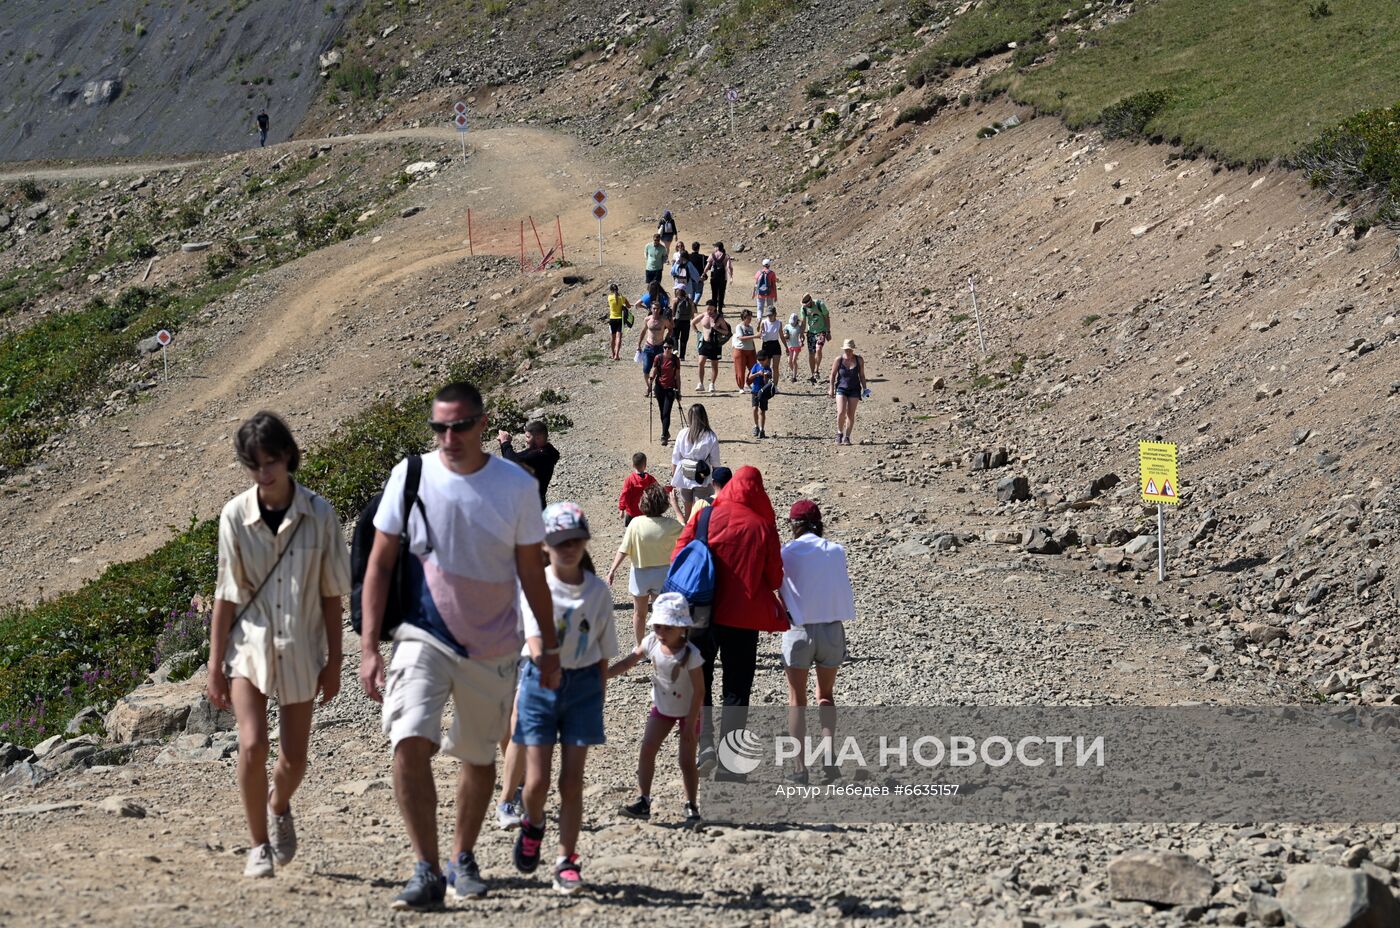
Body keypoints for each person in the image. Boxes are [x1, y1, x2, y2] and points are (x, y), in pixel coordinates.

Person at [359, 381, 561, 910]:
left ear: (481, 423)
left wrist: (549, 643)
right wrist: (368, 646)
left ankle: (461, 856)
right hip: (421, 634)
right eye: (439, 427)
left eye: (460, 426)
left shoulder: (514, 485)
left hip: (492, 643)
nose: (449, 437)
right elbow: (379, 563)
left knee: (477, 758)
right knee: (408, 739)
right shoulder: (411, 475)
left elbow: (531, 574)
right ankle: (426, 867)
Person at [207, 412, 352, 879]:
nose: (263, 473)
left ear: (288, 456)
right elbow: (225, 594)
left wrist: (335, 661)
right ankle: (258, 845)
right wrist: (214, 666)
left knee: (294, 759)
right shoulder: (234, 516)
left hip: (302, 646)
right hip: (248, 646)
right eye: (253, 465)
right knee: (252, 746)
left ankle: (278, 803)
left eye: (270, 461)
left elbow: (333, 594)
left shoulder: (320, 514)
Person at [511, 502, 617, 895]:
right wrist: (547, 660)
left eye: (575, 540)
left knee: (572, 781)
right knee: (536, 782)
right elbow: (533, 639)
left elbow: (604, 652)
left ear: (585, 541)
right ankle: (533, 824)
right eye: (560, 542)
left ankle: (566, 859)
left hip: (584, 686)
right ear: (545, 546)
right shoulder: (533, 584)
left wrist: (598, 696)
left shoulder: (598, 591)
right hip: (539, 682)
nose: (568, 548)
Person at [670, 465, 786, 779]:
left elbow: (678, 556)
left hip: (702, 615)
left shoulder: (704, 516)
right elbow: (775, 577)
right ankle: (730, 764)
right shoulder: (762, 526)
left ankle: (704, 744)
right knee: (736, 689)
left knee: (700, 683)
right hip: (744, 619)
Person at [607, 592, 704, 825]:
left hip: (688, 712)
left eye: (667, 628)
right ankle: (643, 800)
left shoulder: (691, 654)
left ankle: (692, 805)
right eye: (657, 627)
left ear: (681, 628)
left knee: (686, 760)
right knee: (648, 748)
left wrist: (690, 724)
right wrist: (604, 675)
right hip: (662, 707)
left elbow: (699, 691)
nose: (661, 633)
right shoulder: (651, 641)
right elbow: (629, 661)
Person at [778, 499, 855, 785]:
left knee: (797, 699)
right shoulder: (836, 551)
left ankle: (800, 768)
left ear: (793, 525)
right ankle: (829, 756)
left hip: (798, 629)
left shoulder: (786, 551)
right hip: (832, 629)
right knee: (826, 695)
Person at [605, 485, 683, 645]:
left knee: (639, 613)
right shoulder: (671, 525)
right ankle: (660, 645)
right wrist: (676, 507)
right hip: (662, 574)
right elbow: (687, 527)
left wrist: (612, 569)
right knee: (660, 613)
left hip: (640, 574)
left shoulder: (635, 523)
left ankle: (639, 648)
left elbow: (624, 549)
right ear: (664, 503)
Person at [670, 403, 720, 521]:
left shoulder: (683, 433)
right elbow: (715, 462)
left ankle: (686, 530)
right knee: (699, 510)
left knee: (687, 508)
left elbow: (675, 458)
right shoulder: (710, 436)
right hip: (701, 476)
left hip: (683, 475)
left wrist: (673, 476)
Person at [498, 420, 561, 508]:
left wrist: (505, 443)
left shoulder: (542, 455)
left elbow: (513, 462)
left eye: (528, 437)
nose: (526, 440)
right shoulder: (540, 450)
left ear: (538, 438)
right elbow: (512, 459)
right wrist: (503, 444)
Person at [828, 339, 868, 446]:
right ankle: (839, 433)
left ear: (853, 349)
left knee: (851, 414)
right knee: (841, 412)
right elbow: (832, 375)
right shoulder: (839, 360)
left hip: (855, 389)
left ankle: (847, 437)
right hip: (841, 388)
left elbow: (862, 376)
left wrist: (865, 389)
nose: (848, 352)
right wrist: (831, 388)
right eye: (846, 350)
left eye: (849, 350)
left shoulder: (859, 360)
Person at [649, 338, 682, 445]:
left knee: (666, 412)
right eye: (665, 347)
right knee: (661, 412)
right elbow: (654, 372)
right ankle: (666, 431)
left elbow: (677, 376)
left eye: (669, 348)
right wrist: (649, 385)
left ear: (672, 348)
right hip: (659, 388)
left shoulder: (675, 360)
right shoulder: (658, 358)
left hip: (670, 389)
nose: (667, 349)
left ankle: (663, 435)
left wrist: (679, 391)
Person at [636, 300, 673, 396]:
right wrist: (639, 344)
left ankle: (656, 388)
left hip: (660, 347)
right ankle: (648, 387)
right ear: (651, 309)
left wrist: (666, 340)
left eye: (657, 308)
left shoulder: (664, 320)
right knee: (646, 369)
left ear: (660, 309)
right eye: (654, 308)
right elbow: (643, 331)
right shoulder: (647, 319)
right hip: (648, 346)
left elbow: (670, 329)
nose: (656, 310)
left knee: (659, 369)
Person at [692, 301, 730, 395]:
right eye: (707, 308)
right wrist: (697, 333)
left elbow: (726, 332)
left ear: (714, 308)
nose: (709, 311)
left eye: (710, 309)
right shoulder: (704, 315)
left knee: (714, 364)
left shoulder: (719, 318)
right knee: (701, 362)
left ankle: (712, 384)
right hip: (705, 342)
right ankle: (700, 383)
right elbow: (693, 322)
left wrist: (717, 328)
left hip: (715, 344)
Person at [617, 452, 658, 526]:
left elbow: (624, 495)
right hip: (646, 512)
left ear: (633, 465)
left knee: (631, 531)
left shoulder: (629, 480)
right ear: (645, 466)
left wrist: (622, 509)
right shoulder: (650, 479)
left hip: (632, 512)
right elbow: (658, 491)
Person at [800, 294, 832, 384]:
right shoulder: (803, 308)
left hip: (821, 331)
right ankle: (812, 374)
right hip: (810, 332)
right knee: (811, 353)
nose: (806, 305)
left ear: (810, 301)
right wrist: (801, 334)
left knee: (819, 349)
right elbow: (803, 322)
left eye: (807, 304)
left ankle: (817, 370)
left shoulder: (819, 304)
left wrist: (828, 331)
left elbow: (826, 318)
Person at [746, 352, 774, 439]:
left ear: (766, 360)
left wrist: (765, 376)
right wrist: (758, 373)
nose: (761, 362)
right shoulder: (756, 366)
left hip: (763, 392)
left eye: (763, 360)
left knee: (762, 411)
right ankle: (756, 426)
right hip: (755, 391)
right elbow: (750, 377)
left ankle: (762, 429)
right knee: (754, 408)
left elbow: (767, 382)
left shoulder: (768, 368)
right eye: (759, 360)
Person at [731, 309, 758, 392]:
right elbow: (741, 338)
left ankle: (748, 383)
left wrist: (754, 349)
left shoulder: (750, 327)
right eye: (748, 318)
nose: (750, 320)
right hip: (740, 350)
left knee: (754, 368)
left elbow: (751, 340)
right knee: (740, 369)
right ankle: (741, 387)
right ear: (744, 318)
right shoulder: (739, 327)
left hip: (750, 350)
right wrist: (755, 336)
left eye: (750, 318)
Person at [703, 242, 733, 313]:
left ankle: (714, 310)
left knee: (714, 294)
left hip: (714, 277)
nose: (714, 248)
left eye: (715, 247)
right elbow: (729, 267)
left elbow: (707, 267)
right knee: (721, 294)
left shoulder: (712, 255)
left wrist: (704, 273)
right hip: (723, 278)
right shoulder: (726, 256)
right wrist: (731, 277)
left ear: (717, 247)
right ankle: (720, 310)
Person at [758, 305, 783, 388]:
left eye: (771, 315)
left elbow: (781, 335)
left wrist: (786, 347)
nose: (769, 316)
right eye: (768, 315)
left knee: (775, 367)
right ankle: (766, 386)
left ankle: (775, 386)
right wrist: (760, 328)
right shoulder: (764, 322)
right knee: (766, 367)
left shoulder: (779, 323)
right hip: (766, 345)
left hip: (775, 344)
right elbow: (760, 332)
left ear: (775, 314)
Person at [605, 283, 630, 362]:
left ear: (611, 290)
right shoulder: (622, 298)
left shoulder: (609, 297)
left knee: (613, 338)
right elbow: (628, 305)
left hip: (612, 319)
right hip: (620, 319)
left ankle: (613, 354)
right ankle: (617, 355)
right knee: (619, 337)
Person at [672, 288, 694, 361]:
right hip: (686, 321)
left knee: (675, 336)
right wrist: (692, 317)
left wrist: (672, 318)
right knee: (684, 339)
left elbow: (673, 311)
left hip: (677, 321)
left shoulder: (676, 300)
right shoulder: (689, 300)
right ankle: (682, 356)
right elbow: (692, 309)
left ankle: (675, 349)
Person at [783, 313, 804, 384]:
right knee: (789, 361)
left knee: (794, 360)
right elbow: (784, 334)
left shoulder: (798, 327)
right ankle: (794, 372)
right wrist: (785, 336)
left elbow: (801, 336)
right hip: (790, 346)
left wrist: (801, 341)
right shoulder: (787, 326)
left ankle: (794, 377)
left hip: (796, 346)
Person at [685, 241, 707, 306]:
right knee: (699, 292)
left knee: (691, 292)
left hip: (690, 278)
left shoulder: (688, 257)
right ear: (698, 248)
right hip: (700, 277)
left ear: (692, 248)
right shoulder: (702, 257)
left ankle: (691, 304)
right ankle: (695, 302)